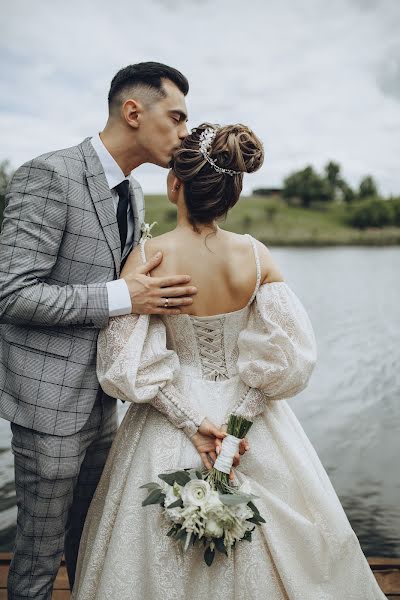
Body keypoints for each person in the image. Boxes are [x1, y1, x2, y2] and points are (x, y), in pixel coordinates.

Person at [72, 123, 386, 599]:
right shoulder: (255, 257)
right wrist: (237, 426)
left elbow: (123, 364)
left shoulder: (148, 257)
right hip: (250, 412)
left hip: (171, 416)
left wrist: (189, 420)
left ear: (174, 184)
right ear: (230, 194)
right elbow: (290, 358)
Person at [0, 62, 220, 600]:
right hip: (48, 406)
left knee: (91, 545)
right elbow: (10, 292)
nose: (186, 133)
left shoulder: (134, 195)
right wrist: (124, 297)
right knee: (37, 557)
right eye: (177, 118)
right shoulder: (49, 176)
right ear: (133, 112)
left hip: (105, 400)